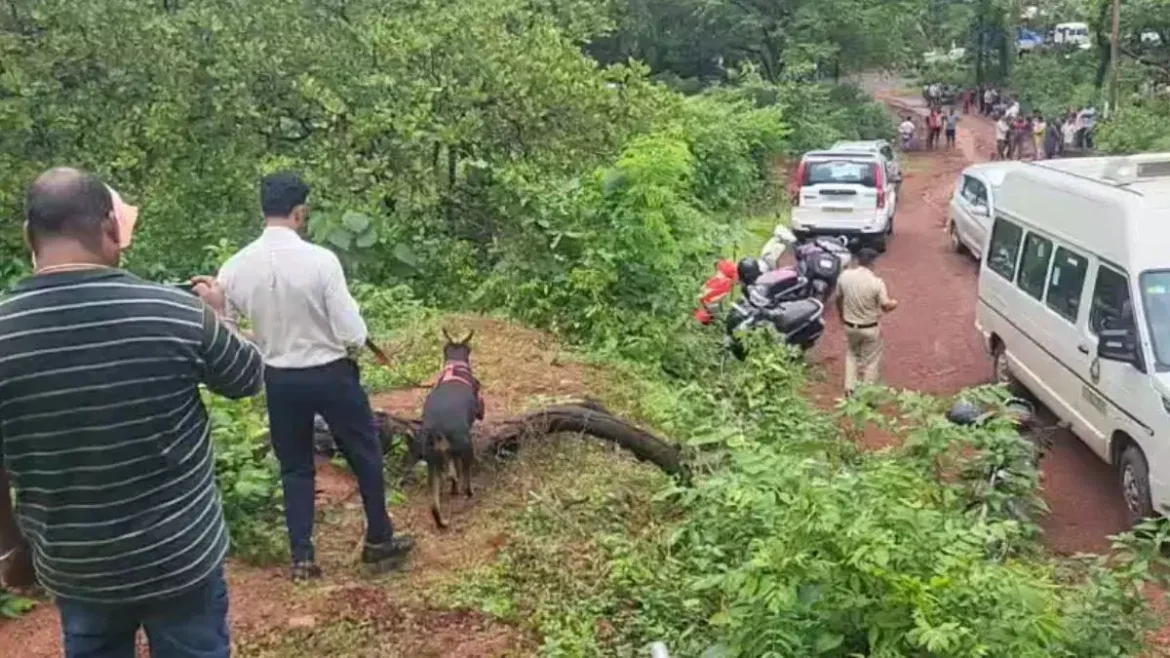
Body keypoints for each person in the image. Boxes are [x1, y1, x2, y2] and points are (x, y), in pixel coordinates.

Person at [0, 168, 265, 657]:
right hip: (179, 556)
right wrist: (221, 313)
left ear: (28, 237)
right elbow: (246, 377)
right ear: (111, 230)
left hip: (76, 565)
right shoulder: (177, 313)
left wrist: (12, 547)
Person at [199, 172, 414, 581]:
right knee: (364, 454)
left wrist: (248, 326)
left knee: (295, 467)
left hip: (280, 379)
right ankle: (379, 539)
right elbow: (352, 333)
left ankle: (302, 557)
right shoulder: (321, 260)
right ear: (301, 212)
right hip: (332, 374)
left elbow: (226, 330)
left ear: (263, 211)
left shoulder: (235, 267)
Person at [835, 247, 897, 394]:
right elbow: (885, 306)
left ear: (857, 261)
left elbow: (838, 299)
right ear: (873, 263)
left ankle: (849, 388)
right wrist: (895, 303)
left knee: (851, 355)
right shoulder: (876, 282)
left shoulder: (844, 277)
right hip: (870, 327)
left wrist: (841, 316)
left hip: (850, 325)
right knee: (871, 361)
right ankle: (866, 392)